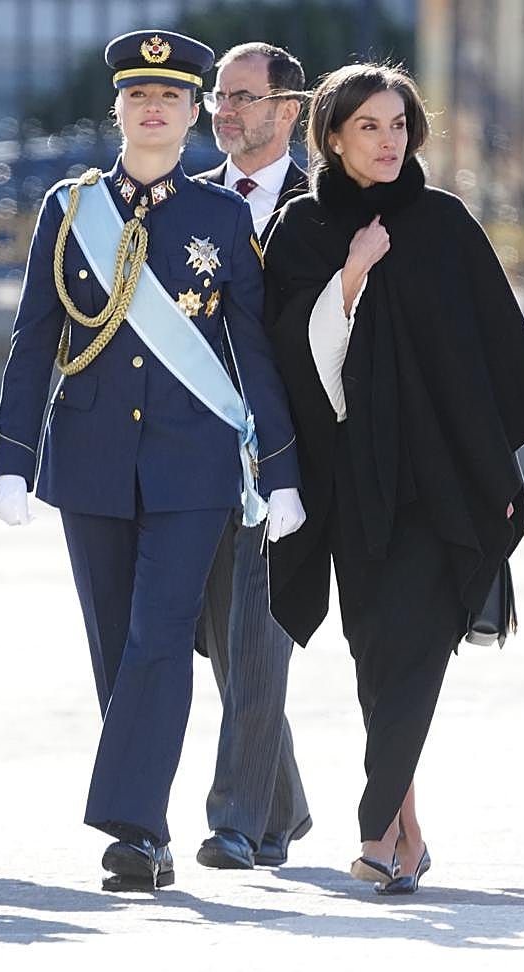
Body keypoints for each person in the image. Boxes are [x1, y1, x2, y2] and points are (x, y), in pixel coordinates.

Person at [0, 28, 306, 892]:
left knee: (159, 635)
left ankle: (132, 830)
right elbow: (34, 339)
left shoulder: (222, 217)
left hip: (192, 466)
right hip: (89, 458)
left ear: (193, 111)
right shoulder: (70, 207)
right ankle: (150, 825)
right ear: (119, 108)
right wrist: (14, 457)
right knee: (114, 646)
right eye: (139, 96)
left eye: (170, 96)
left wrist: (279, 472)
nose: (154, 108)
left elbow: (252, 353)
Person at [263, 62, 524, 894]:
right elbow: (292, 360)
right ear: (332, 136)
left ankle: (376, 831)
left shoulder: (444, 223)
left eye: (398, 124)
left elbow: (492, 354)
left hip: (444, 482)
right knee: (377, 652)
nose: (388, 140)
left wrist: (496, 472)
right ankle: (409, 833)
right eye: (369, 126)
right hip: (354, 481)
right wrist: (352, 275)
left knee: (415, 647)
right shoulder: (302, 229)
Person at [193, 42, 312, 870]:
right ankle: (284, 809)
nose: (224, 111)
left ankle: (235, 819)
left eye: (242, 96)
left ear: (288, 109)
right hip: (199, 457)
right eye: (218, 97)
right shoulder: (189, 203)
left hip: (291, 461)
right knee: (222, 638)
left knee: (260, 631)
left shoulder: (326, 209)